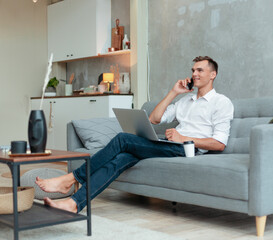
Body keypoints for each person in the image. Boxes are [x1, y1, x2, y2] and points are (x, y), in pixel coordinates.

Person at [35, 56, 234, 213]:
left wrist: (184, 139)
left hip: (189, 149)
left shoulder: (221, 102)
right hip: (172, 145)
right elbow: (155, 119)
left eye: (200, 70)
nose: (195, 74)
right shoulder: (185, 101)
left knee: (123, 139)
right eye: (193, 70)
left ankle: (72, 178)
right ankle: (74, 204)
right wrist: (174, 92)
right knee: (121, 159)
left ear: (213, 74)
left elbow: (219, 144)